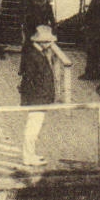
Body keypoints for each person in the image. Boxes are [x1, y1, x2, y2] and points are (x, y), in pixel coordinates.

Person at [20, 25, 72, 166]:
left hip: (38, 97)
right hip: (36, 98)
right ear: (42, 42)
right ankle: (28, 157)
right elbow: (29, 78)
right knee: (32, 128)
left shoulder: (36, 52)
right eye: (48, 42)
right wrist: (37, 97)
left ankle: (30, 154)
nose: (50, 44)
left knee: (35, 127)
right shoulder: (34, 56)